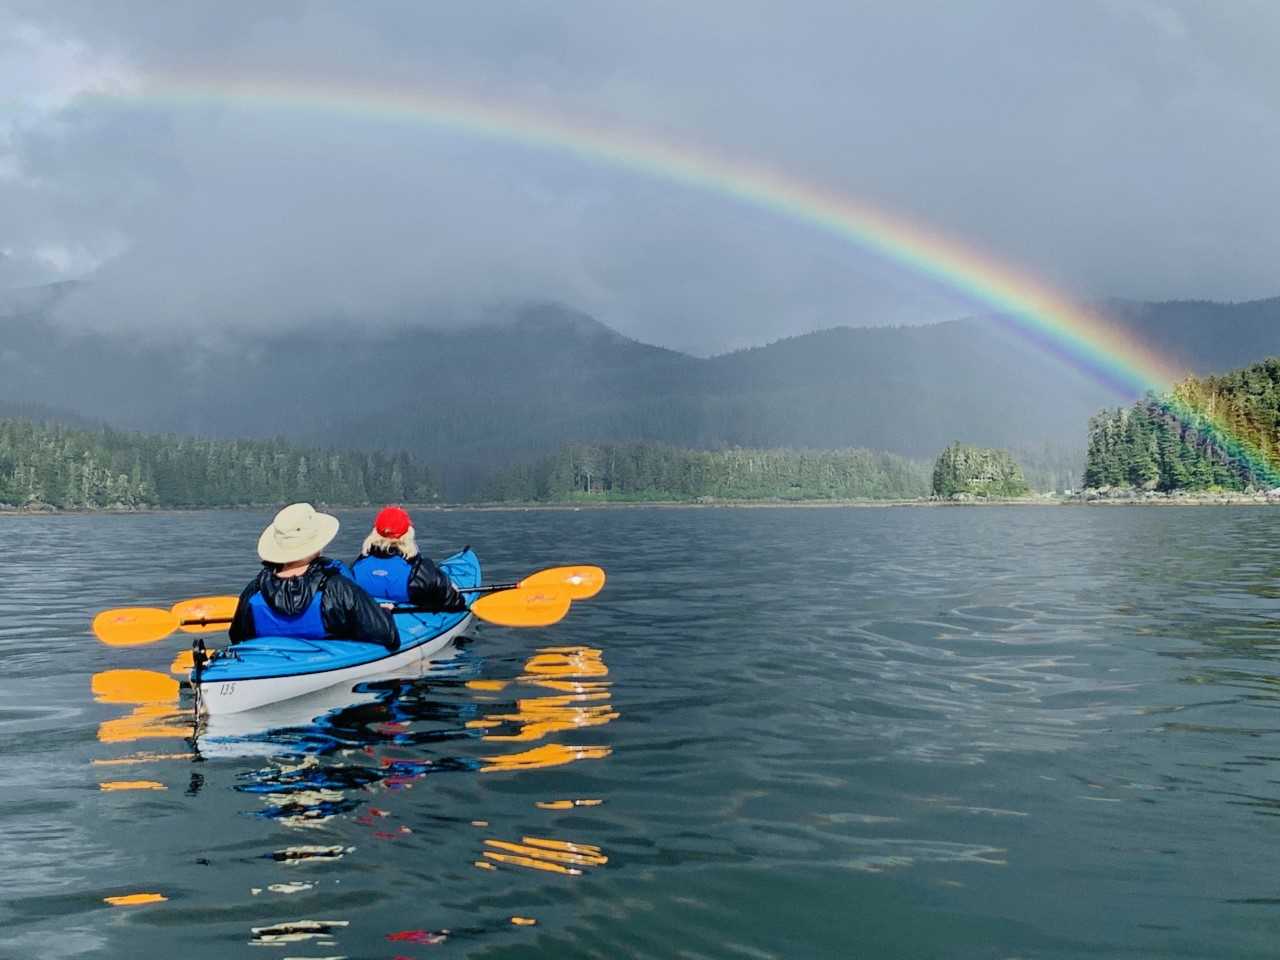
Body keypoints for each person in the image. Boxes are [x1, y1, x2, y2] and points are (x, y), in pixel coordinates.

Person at [228, 502, 399, 650]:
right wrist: (384, 613)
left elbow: (237, 637)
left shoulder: (255, 589)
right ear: (317, 545)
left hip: (272, 665)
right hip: (327, 664)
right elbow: (388, 636)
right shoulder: (338, 587)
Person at [351, 505, 468, 612]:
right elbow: (457, 603)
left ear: (375, 532)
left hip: (369, 620)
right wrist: (453, 590)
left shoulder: (357, 567)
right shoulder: (421, 571)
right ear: (408, 533)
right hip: (410, 628)